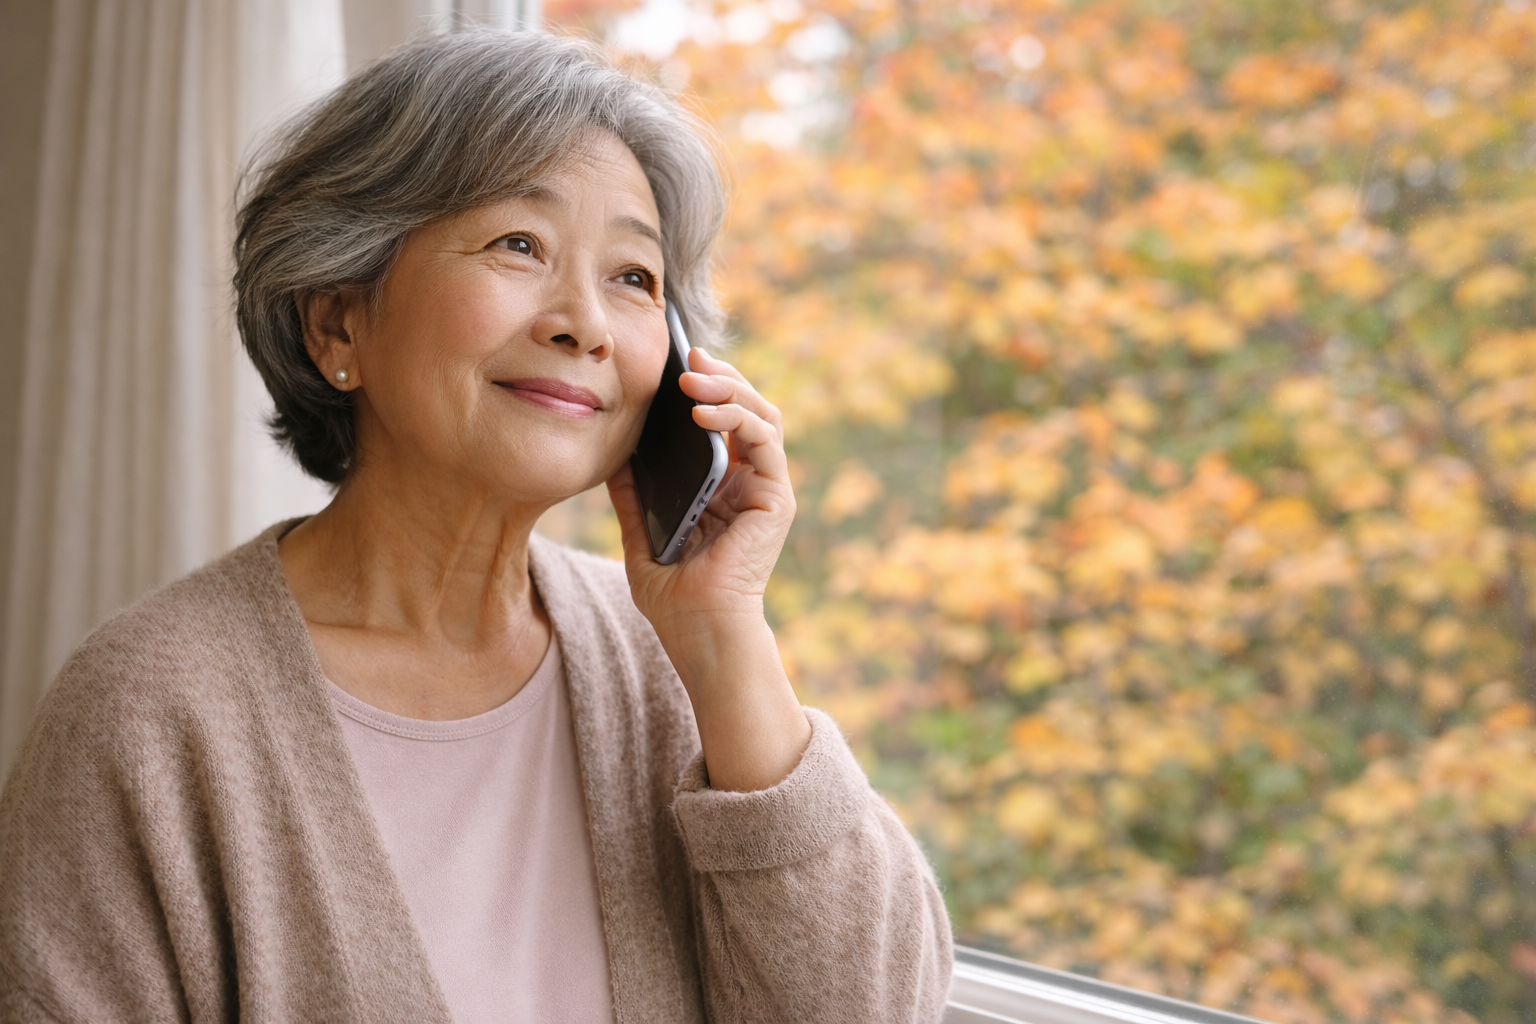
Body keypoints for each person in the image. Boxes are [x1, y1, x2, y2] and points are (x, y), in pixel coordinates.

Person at [0, 30, 952, 1024]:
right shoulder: (150, 711)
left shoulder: (668, 663)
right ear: (337, 325)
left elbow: (879, 1010)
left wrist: (724, 637)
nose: (583, 321)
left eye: (634, 276)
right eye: (518, 245)